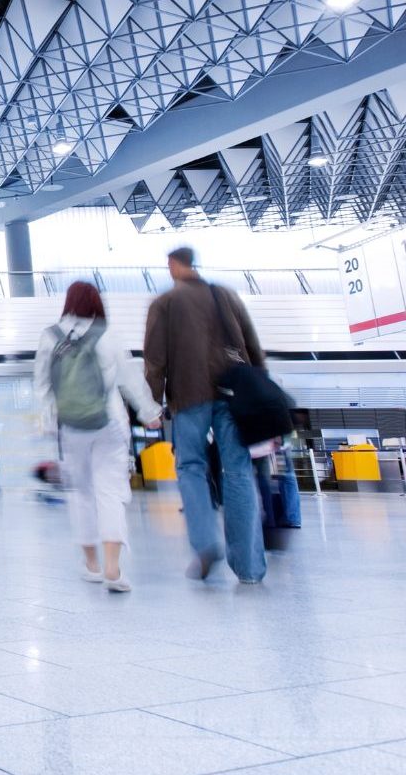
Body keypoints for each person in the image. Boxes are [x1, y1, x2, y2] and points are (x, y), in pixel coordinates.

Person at [143, 246, 267, 583]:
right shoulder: (224, 296)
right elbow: (252, 345)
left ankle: (205, 543)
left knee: (190, 467)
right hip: (233, 395)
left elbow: (155, 359)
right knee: (239, 471)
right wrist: (261, 390)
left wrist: (152, 404)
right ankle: (250, 567)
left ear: (174, 265)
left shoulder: (164, 304)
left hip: (188, 396)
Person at [37, 281, 160, 592]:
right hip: (109, 424)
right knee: (110, 493)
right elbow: (131, 379)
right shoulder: (108, 334)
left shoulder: (50, 337)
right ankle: (113, 569)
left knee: (81, 495)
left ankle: (91, 565)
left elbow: (43, 387)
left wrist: (51, 423)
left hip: (70, 428)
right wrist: (149, 412)